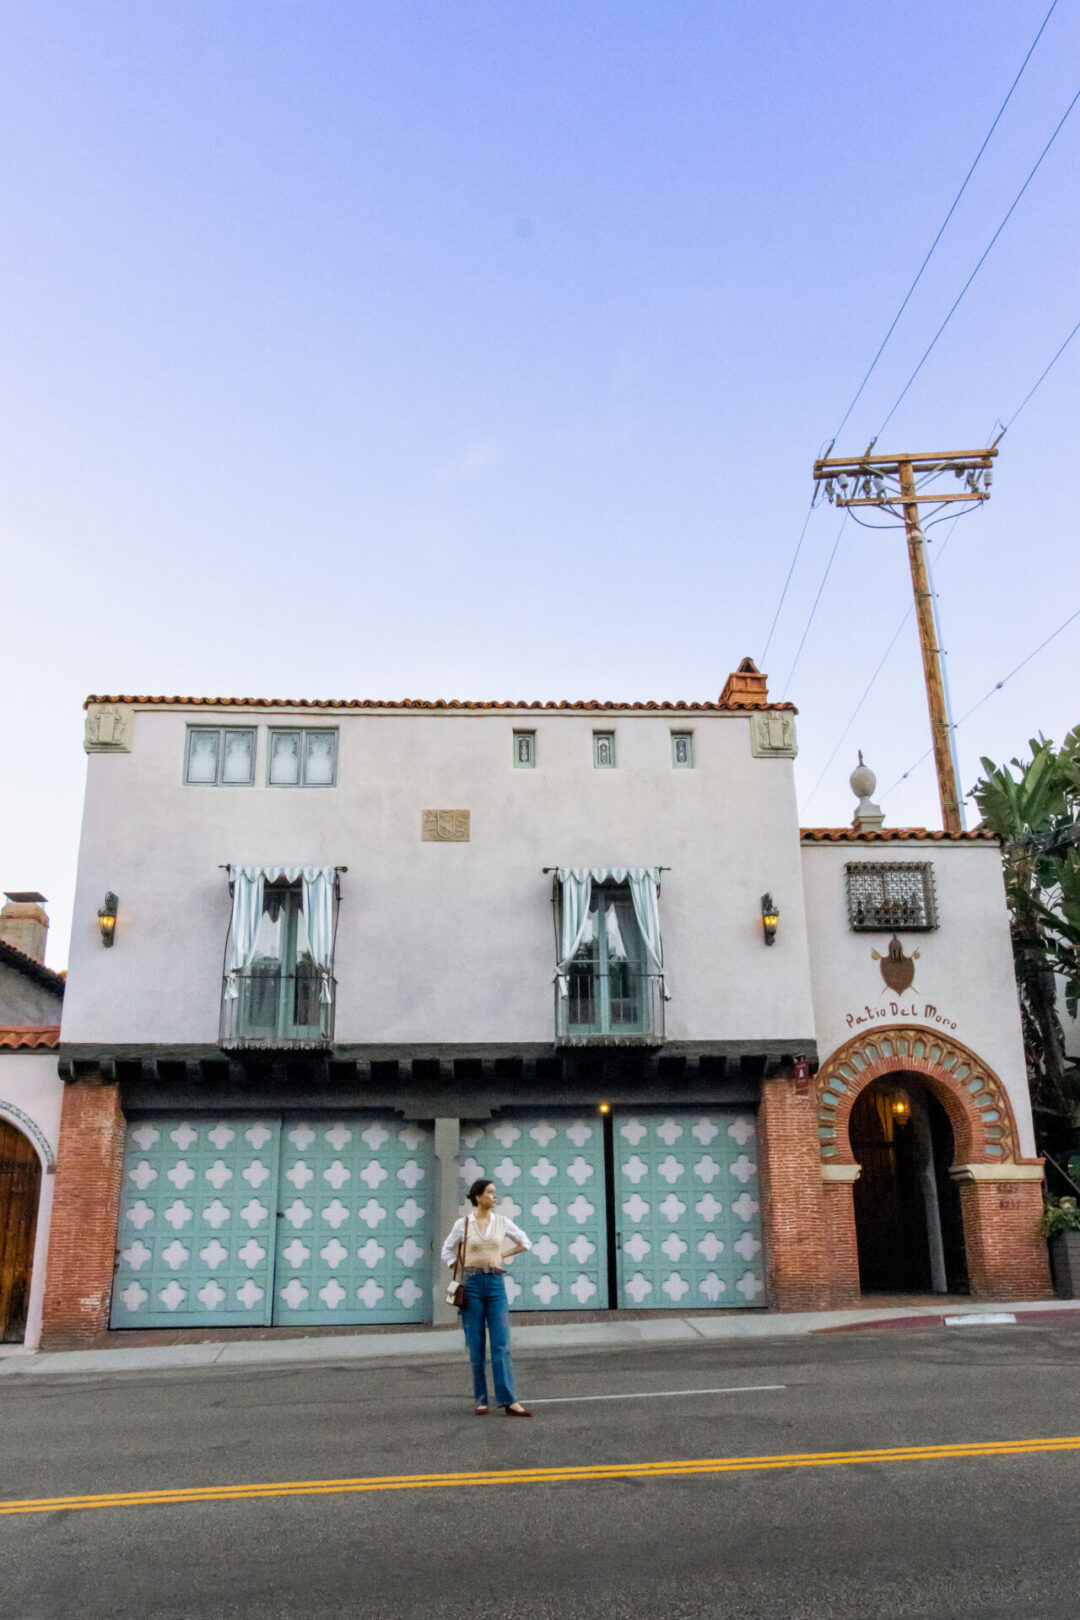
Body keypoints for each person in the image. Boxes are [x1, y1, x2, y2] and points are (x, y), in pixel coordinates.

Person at [441, 1178, 533, 1417]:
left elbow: (525, 1242)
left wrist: (503, 1254)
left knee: (501, 1343)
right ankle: (481, 1399)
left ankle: (509, 1400)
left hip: (495, 1284)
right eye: (490, 1193)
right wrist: (458, 1266)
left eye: (495, 1192)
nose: (495, 1196)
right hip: (471, 1285)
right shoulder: (463, 1224)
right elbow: (446, 1250)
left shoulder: (502, 1222)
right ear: (478, 1197)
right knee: (476, 1345)